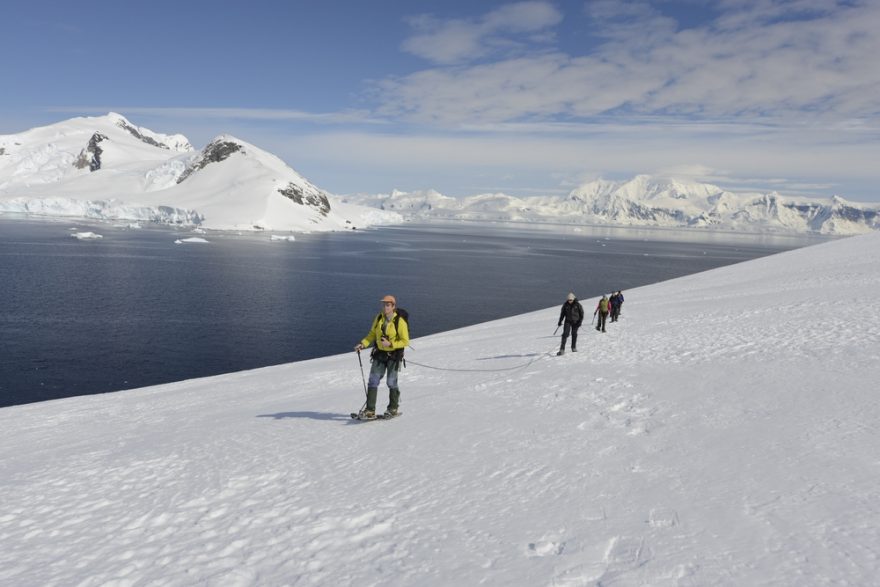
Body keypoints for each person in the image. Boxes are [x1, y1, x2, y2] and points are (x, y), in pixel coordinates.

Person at [354, 295, 409, 419]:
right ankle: (370, 410)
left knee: (391, 382)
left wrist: (391, 344)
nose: (385, 307)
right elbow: (372, 334)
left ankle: (393, 408)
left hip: (394, 356)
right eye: (384, 304)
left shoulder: (399, 321)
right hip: (380, 354)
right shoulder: (379, 318)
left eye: (388, 305)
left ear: (393, 306)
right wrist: (362, 344)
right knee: (373, 380)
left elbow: (405, 341)